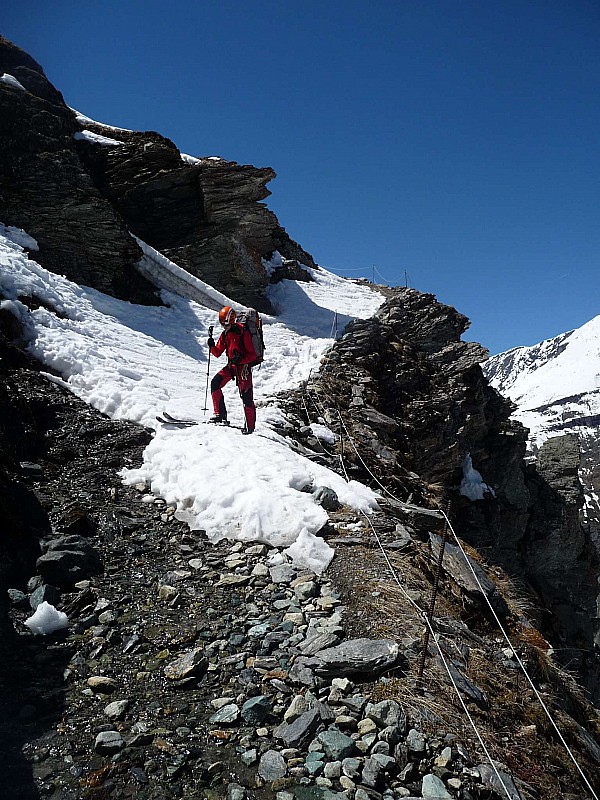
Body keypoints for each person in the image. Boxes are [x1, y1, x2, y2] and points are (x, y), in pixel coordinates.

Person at [207, 306, 257, 434]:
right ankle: (220, 415)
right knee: (215, 383)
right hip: (232, 366)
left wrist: (240, 360)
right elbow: (217, 352)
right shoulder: (225, 334)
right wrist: (212, 346)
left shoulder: (243, 332)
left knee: (246, 396)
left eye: (226, 324)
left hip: (243, 369)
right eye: (223, 325)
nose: (224, 327)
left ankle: (250, 427)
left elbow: (252, 355)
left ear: (232, 320)